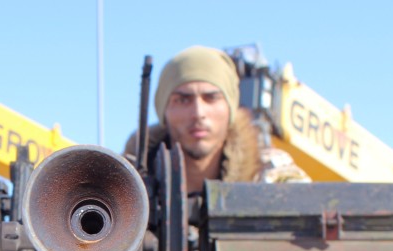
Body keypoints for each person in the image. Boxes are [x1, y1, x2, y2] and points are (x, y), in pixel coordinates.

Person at [125, 45, 308, 193]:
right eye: (182, 100)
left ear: (230, 108)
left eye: (211, 98)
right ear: (163, 110)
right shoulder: (124, 184)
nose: (198, 112)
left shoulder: (271, 175)